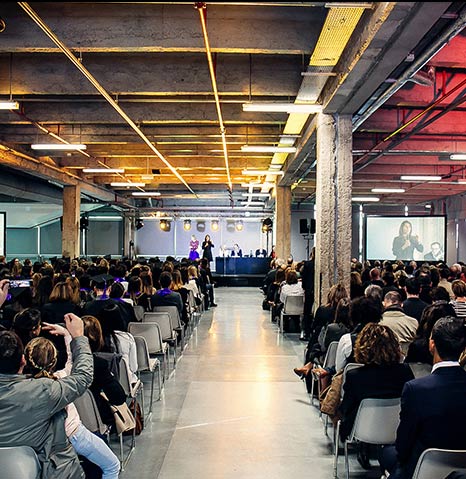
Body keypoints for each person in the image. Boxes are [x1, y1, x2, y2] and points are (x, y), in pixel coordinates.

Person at [0, 306, 93, 479]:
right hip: (50, 470)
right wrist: (78, 337)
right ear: (22, 360)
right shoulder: (42, 390)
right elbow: (83, 377)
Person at [24, 325, 120, 479]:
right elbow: (73, 362)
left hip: (41, 445)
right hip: (75, 435)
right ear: (54, 360)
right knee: (112, 466)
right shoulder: (61, 381)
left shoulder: (22, 388)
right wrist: (68, 335)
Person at [380, 316, 466, 479]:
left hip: (424, 466)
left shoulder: (416, 389)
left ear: (432, 344)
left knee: (386, 454)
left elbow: (403, 444)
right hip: (462, 467)